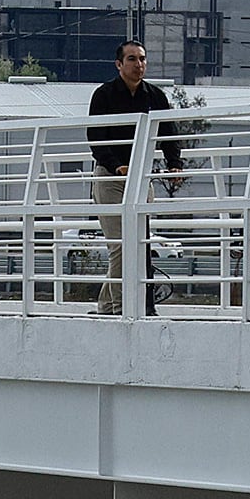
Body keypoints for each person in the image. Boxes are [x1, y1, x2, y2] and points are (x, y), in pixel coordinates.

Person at [88, 42, 182, 315]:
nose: (138, 64)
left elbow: (169, 132)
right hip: (110, 179)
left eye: (142, 59)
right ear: (119, 64)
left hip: (141, 180)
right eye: (131, 59)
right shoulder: (103, 95)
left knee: (138, 245)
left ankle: (107, 304)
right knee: (120, 245)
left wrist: (174, 164)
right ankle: (121, 306)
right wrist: (118, 167)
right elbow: (96, 139)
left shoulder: (155, 96)